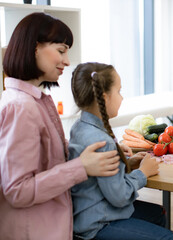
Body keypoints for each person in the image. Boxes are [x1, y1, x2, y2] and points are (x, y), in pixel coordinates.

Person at [0, 13, 121, 240]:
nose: (66, 61)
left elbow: (47, 154)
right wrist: (82, 168)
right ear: (35, 48)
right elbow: (17, 191)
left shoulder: (35, 100)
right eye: (61, 50)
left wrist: (103, 153)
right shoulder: (20, 107)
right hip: (36, 231)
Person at [69, 62, 173, 240]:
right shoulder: (101, 141)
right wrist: (143, 173)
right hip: (98, 223)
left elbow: (100, 178)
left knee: (157, 213)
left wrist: (127, 163)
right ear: (104, 97)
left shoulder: (80, 127)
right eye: (119, 91)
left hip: (87, 213)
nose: (122, 98)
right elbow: (120, 197)